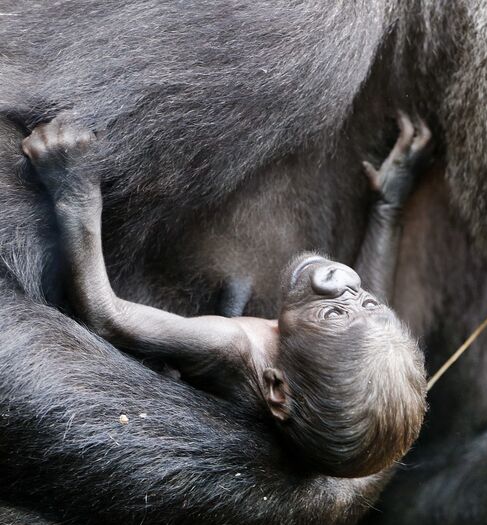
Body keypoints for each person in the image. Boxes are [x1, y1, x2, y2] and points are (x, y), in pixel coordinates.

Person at [22, 112, 432, 479]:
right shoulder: (315, 382)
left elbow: (107, 316)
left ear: (275, 390)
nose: (339, 280)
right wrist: (387, 209)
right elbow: (369, 324)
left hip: (178, 361)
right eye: (365, 301)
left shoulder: (228, 346)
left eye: (332, 313)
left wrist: (74, 191)